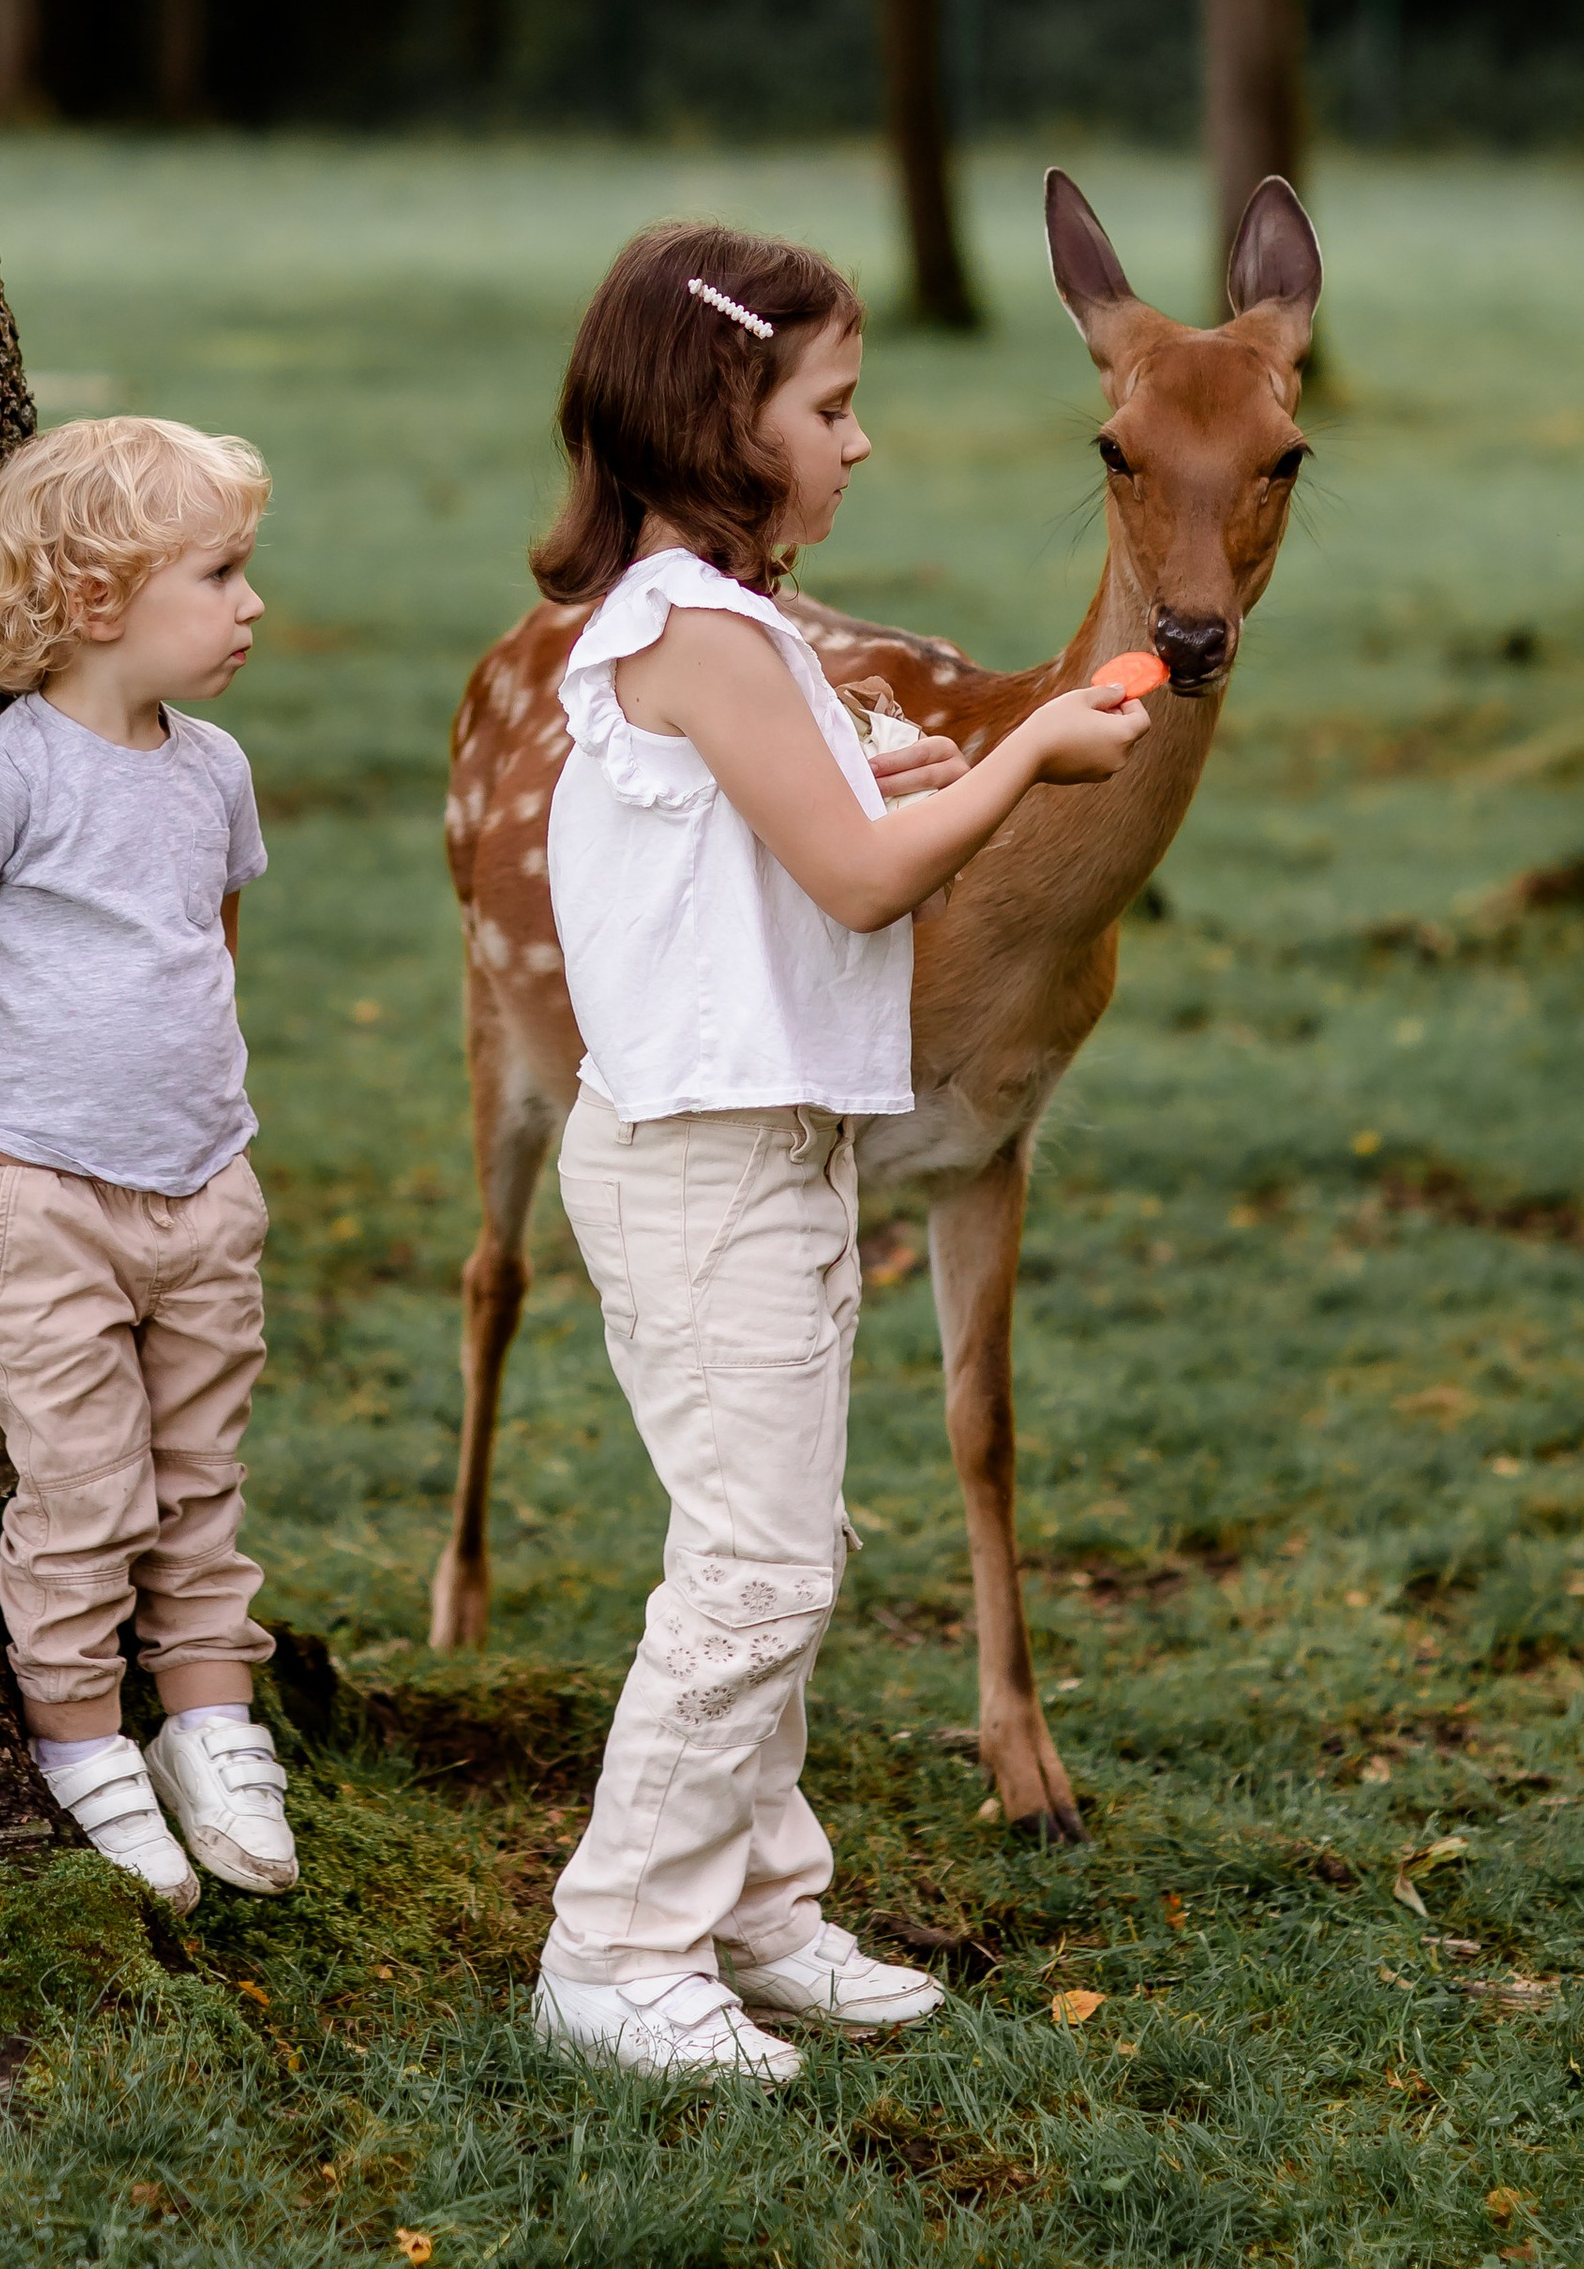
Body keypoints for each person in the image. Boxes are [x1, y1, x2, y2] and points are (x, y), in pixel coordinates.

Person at [527, 224, 1150, 2083]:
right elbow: (866, 873)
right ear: (728, 423)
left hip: (777, 1152)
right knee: (757, 1568)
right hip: (696, 1167)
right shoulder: (701, 636)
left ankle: (757, 1903)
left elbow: (826, 798)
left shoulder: (726, 626)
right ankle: (614, 1942)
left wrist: (928, 761)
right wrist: (1024, 754)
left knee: (788, 1540)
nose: (861, 443)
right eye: (834, 405)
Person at [0, 412, 297, 1912]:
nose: (252, 606)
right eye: (222, 574)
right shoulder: (8, 778)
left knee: (200, 1479)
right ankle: (78, 1742)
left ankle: (213, 1727)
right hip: (42, 1200)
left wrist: (205, 1128)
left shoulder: (215, 767)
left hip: (203, 1191)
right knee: (85, 1487)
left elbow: (210, 949)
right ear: (99, 600)